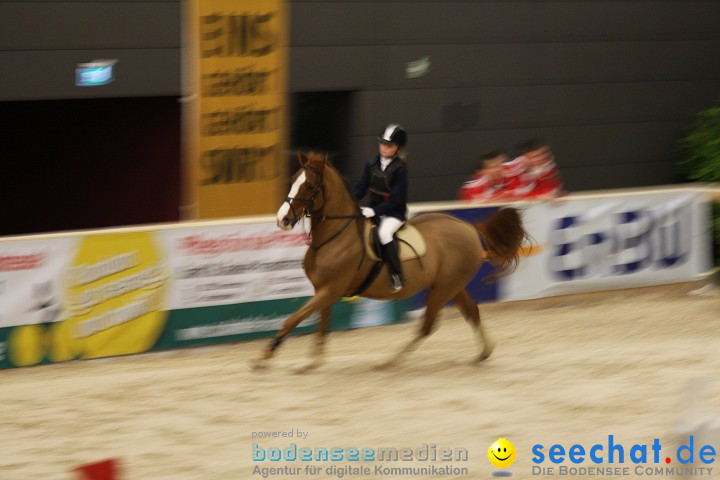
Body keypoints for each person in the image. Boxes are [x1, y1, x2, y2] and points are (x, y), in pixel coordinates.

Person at [353, 124, 409, 293]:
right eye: (382, 143)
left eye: (389, 145)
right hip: (373, 208)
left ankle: (397, 275)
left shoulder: (401, 169)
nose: (384, 147)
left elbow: (395, 200)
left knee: (384, 233)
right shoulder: (371, 163)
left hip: (394, 213)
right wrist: (350, 201)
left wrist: (374, 211)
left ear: (397, 148)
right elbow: (361, 187)